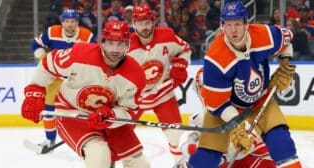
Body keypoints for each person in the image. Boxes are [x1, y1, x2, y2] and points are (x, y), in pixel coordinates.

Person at [188, 1, 302, 168]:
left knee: (281, 141)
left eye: (238, 24)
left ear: (246, 24)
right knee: (207, 157)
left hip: (260, 99)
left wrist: (285, 64)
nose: (233, 30)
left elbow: (287, 39)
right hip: (225, 108)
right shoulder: (215, 59)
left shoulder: (264, 35)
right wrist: (236, 126)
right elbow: (217, 103)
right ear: (222, 26)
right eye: (228, 25)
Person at [22, 20, 150, 168]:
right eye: (110, 43)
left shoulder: (136, 75)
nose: (115, 50)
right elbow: (47, 65)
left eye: (120, 44)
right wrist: (34, 93)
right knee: (99, 154)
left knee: (140, 164)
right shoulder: (80, 53)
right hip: (73, 113)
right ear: (102, 42)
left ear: (127, 45)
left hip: (108, 118)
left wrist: (112, 116)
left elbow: (129, 111)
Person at [126, 4, 192, 164]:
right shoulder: (125, 45)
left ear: (153, 21)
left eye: (147, 22)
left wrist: (180, 64)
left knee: (176, 135)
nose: (145, 27)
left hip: (163, 93)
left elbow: (185, 49)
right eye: (140, 23)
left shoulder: (166, 36)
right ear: (133, 24)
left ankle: (180, 163)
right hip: (134, 99)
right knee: (121, 136)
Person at [176, 68, 276, 168]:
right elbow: (186, 139)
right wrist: (190, 145)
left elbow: (242, 148)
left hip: (258, 162)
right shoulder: (199, 119)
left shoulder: (245, 111)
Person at [30, 9, 97, 148]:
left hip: (76, 80)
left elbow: (96, 54)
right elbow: (35, 44)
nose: (70, 24)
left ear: (77, 23)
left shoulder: (86, 36)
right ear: (62, 22)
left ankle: (87, 139)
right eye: (67, 21)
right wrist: (41, 55)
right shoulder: (52, 32)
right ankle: (50, 140)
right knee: (49, 108)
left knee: (82, 110)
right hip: (55, 78)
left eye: (73, 22)